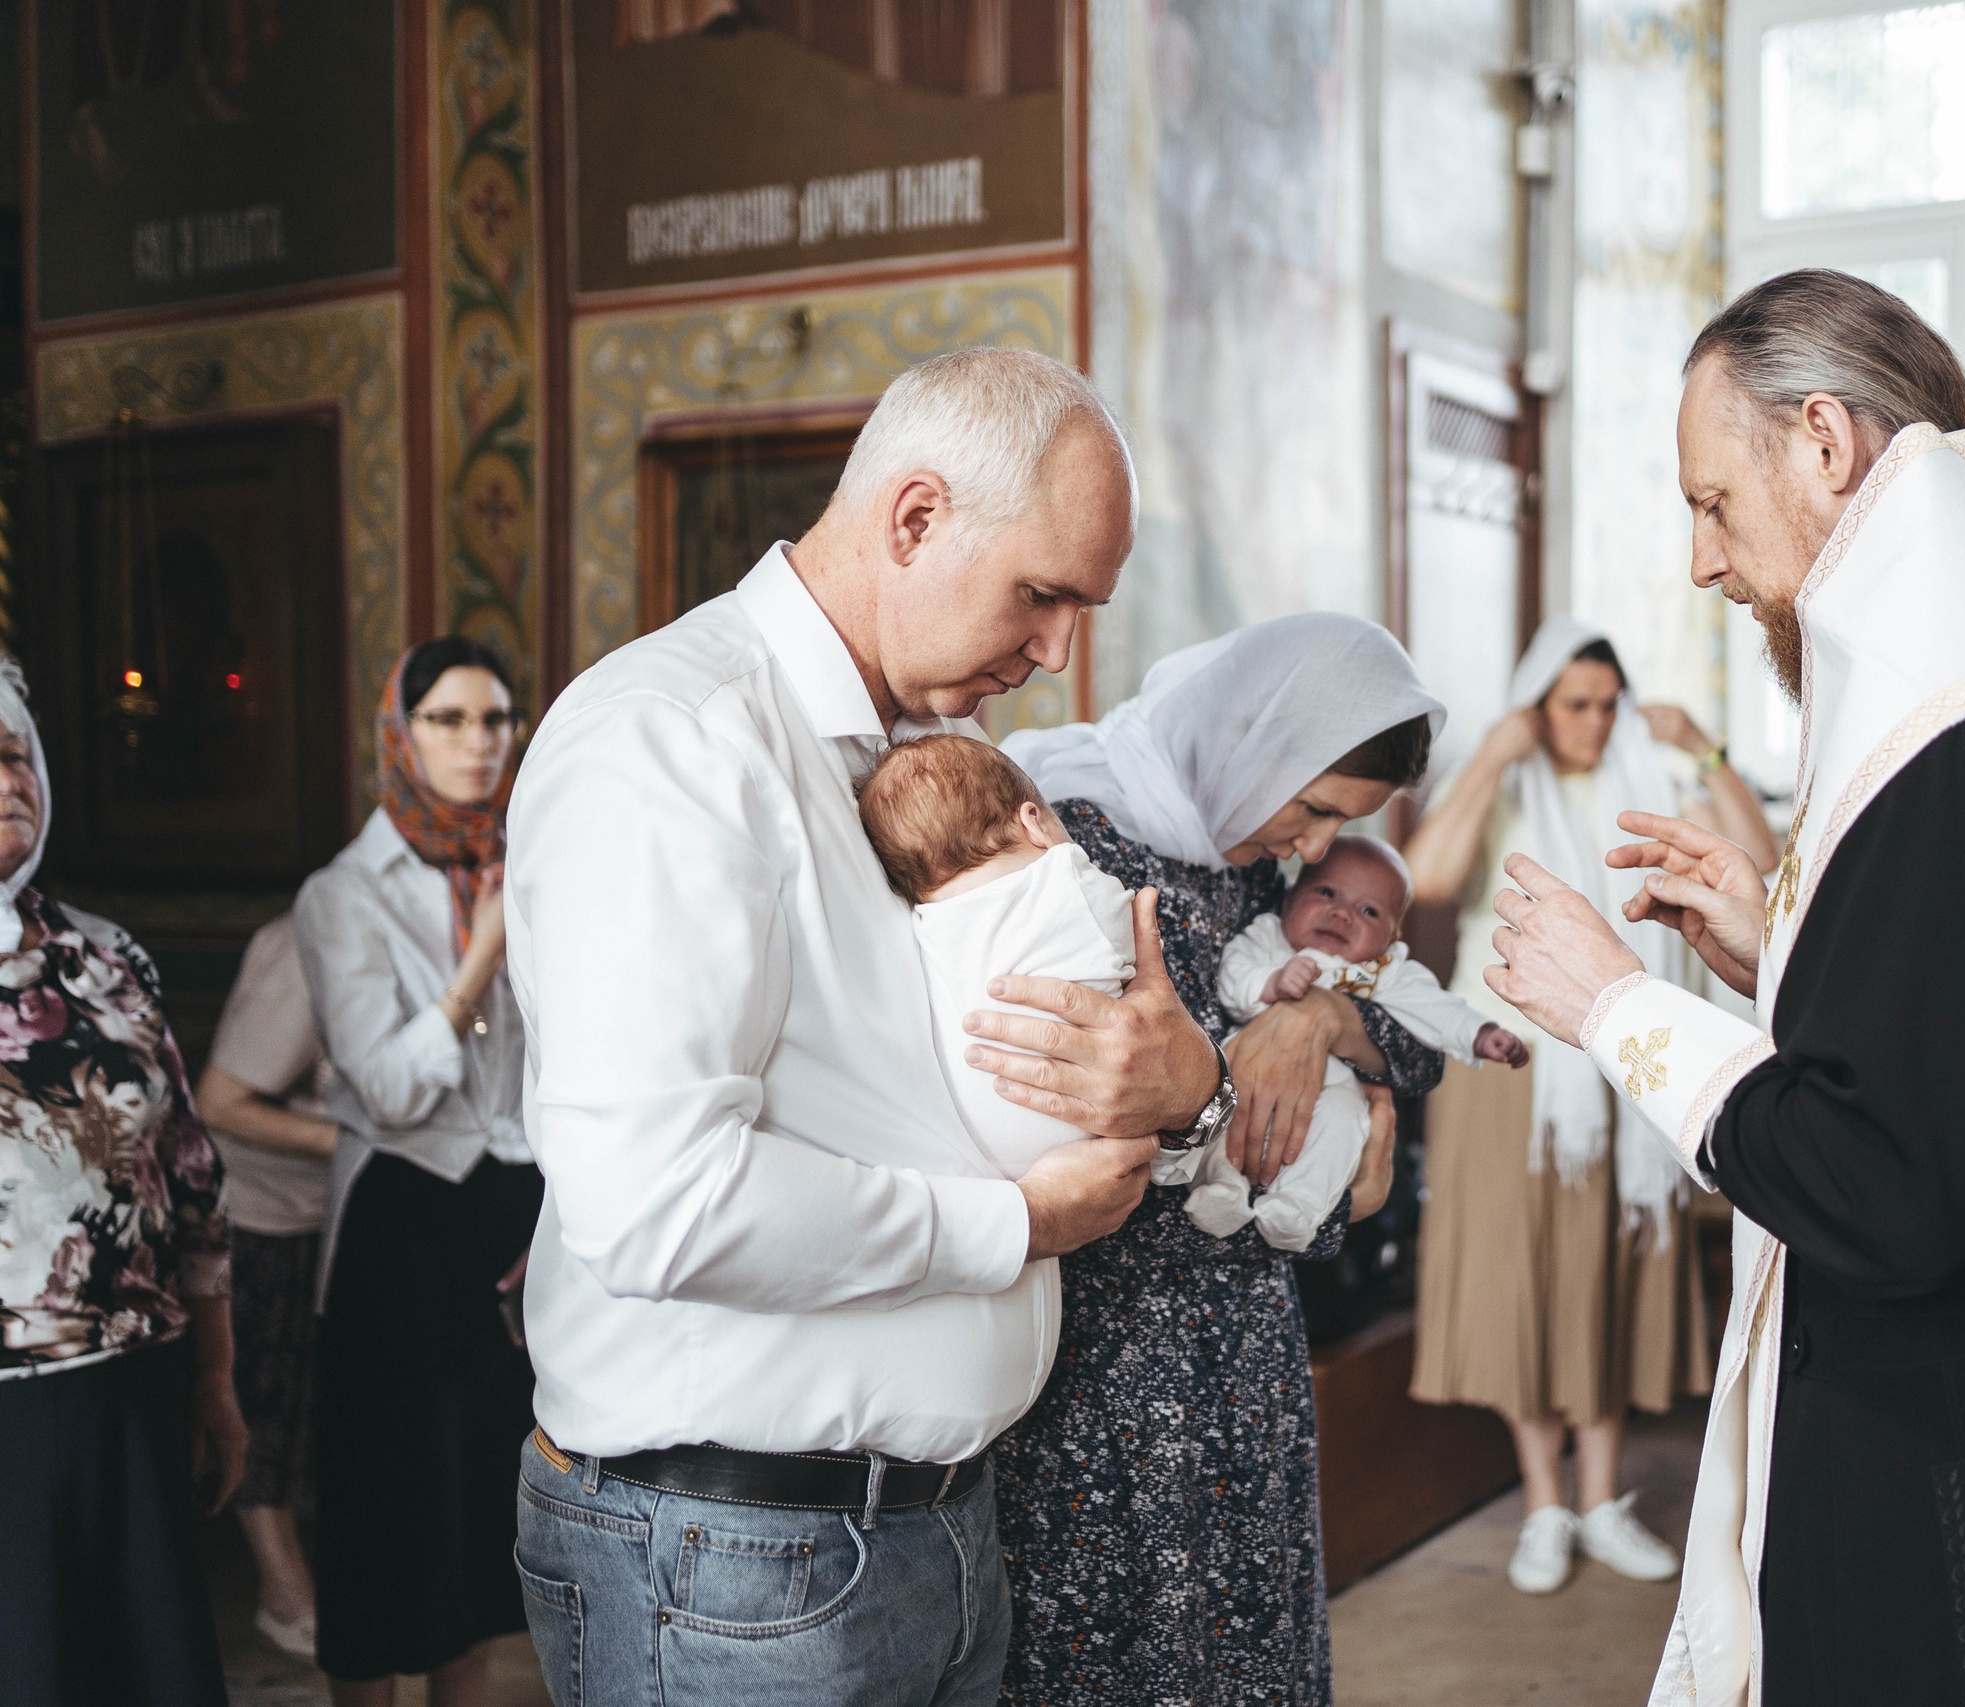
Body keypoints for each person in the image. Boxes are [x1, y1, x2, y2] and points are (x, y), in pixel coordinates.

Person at [1484, 269, 1965, 1705]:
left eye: (1713, 501)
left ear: (1824, 441)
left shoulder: (1944, 760)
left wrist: (1617, 1006)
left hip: (1954, 1456)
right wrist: (1795, 956)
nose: (1705, 560)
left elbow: (1889, 1185)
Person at [506, 348, 1223, 1707]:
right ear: (914, 518)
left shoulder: (906, 756)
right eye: (1042, 592)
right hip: (732, 1554)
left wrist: (1180, 1088)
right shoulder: (674, 743)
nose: (1060, 648)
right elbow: (657, 1200)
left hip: (924, 1528)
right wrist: (1016, 1221)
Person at [996, 611, 1447, 1705]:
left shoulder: (1248, 861)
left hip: (1245, 1359)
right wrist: (1320, 1171)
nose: (1308, 849)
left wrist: (1323, 1023)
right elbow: (1089, 1125)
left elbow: (1417, 1040)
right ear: (1258, 739)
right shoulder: (1073, 843)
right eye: (1312, 808)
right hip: (1101, 1363)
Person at [1402, 615, 1758, 1595]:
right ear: (1535, 705)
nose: (1595, 723)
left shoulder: (1647, 780)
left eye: (1608, 704)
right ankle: (1543, 1503)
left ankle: (1599, 1499)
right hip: (1511, 1070)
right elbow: (1425, 881)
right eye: (1574, 705)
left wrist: (1705, 749)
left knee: (1605, 1271)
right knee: (1523, 1276)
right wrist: (1492, 754)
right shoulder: (1503, 782)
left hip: (1620, 1060)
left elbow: (1757, 860)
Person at [296, 636, 541, 1706]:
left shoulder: (536, 864)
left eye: (495, 719)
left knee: (481, 1523)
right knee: (388, 1517)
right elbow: (390, 1090)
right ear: (400, 733)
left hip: (515, 1217)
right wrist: (484, 953)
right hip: (399, 1225)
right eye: (448, 719)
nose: (478, 744)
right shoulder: (345, 895)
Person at [0, 655, 245, 1707]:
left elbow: (192, 1182)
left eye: (17, 753)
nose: (10, 778)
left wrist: (214, 1383)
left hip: (133, 1393)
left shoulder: (109, 963)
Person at [1194, 833, 1527, 1251]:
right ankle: (1223, 1187)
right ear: (1291, 896)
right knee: (1217, 1100)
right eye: (1326, 892)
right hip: (1251, 1072)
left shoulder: (1384, 972)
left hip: (1333, 1089)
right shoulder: (1269, 937)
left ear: (1391, 937)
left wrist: (1481, 1034)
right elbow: (1233, 973)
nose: (1341, 913)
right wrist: (1271, 981)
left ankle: (1297, 1207)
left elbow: (1436, 1009)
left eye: (1368, 910)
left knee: (1346, 1121)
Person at [860, 732, 1140, 1179]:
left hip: (975, 1148)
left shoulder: (924, 923)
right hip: (1078, 1126)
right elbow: (1127, 936)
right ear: (1034, 820)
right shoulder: (1066, 880)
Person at [195, 909, 340, 1661]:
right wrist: (360, 1144)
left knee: (321, 1400)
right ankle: (282, 1592)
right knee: (263, 1398)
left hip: (339, 1208)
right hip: (262, 1208)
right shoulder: (304, 941)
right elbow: (220, 1102)